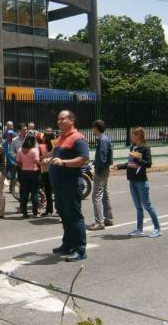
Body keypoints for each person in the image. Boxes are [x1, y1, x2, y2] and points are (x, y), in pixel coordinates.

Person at [46, 110, 90, 262]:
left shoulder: (78, 138)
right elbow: (56, 155)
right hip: (59, 184)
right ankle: (68, 244)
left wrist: (64, 163)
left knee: (74, 216)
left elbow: (84, 159)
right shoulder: (61, 138)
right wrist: (50, 159)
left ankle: (80, 249)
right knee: (64, 216)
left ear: (71, 120)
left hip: (71, 184)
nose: (58, 121)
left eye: (62, 119)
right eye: (58, 119)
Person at [114, 127, 161, 238]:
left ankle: (157, 229)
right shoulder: (133, 147)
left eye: (133, 135)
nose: (131, 137)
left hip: (141, 181)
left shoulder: (145, 148)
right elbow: (129, 163)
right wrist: (119, 166)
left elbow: (148, 163)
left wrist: (136, 159)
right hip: (132, 180)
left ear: (138, 136)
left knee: (147, 205)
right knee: (138, 207)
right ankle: (139, 229)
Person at [88, 120, 114, 231]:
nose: (92, 130)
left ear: (96, 128)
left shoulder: (102, 140)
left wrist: (97, 171)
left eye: (93, 128)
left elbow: (102, 157)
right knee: (105, 194)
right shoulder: (104, 138)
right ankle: (108, 219)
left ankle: (99, 222)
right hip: (105, 169)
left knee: (96, 196)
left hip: (101, 169)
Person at [17, 130, 41, 218]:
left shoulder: (20, 150)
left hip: (24, 172)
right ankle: (36, 212)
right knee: (35, 192)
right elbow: (37, 161)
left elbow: (18, 162)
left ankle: (24, 212)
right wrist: (41, 165)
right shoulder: (34, 150)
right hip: (34, 172)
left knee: (25, 193)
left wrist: (23, 167)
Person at [37, 133, 53, 216]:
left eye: (44, 138)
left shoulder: (53, 147)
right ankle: (50, 210)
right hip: (47, 171)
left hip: (50, 171)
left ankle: (54, 210)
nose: (43, 139)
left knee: (52, 192)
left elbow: (52, 155)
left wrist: (46, 159)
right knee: (48, 192)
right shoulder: (45, 146)